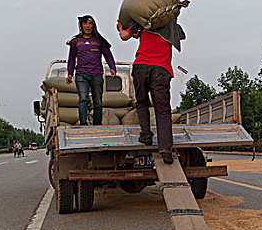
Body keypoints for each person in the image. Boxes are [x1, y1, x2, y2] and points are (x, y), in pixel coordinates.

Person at [117, 19, 186, 164]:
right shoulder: (172, 27)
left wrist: (120, 27)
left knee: (142, 103)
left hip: (141, 67)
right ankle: (166, 150)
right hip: (161, 70)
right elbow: (181, 36)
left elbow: (124, 36)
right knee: (163, 110)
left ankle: (146, 134)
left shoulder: (143, 22)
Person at [66, 15, 117, 125]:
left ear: (93, 26)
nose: (87, 26)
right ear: (81, 26)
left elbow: (108, 55)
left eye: (90, 23)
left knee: (97, 103)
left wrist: (112, 67)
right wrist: (70, 73)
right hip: (81, 74)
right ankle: (83, 124)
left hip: (96, 74)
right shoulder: (76, 41)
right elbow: (71, 58)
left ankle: (97, 125)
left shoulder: (99, 41)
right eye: (85, 24)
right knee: (83, 99)